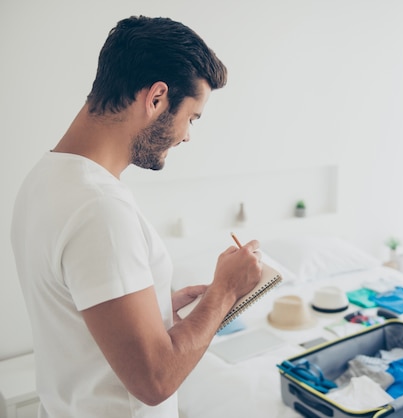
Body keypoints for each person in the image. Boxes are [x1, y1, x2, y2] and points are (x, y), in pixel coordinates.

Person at [10, 16, 263, 417]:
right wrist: (225, 292)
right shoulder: (99, 208)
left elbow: (74, 309)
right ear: (157, 98)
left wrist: (155, 306)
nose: (186, 136)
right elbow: (155, 380)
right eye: (192, 117)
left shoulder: (45, 178)